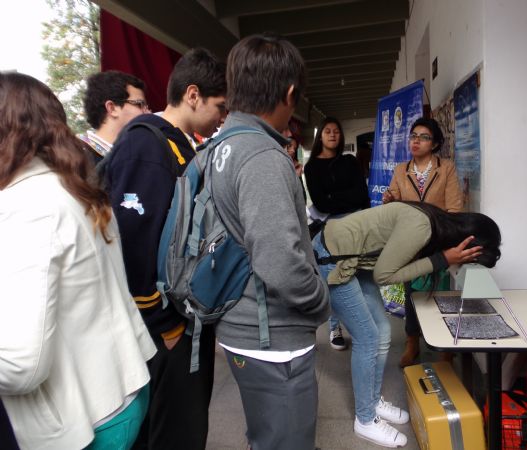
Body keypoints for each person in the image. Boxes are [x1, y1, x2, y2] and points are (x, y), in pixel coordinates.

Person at [0, 72, 157, 450]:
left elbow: (22, 364)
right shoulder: (74, 188)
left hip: (84, 419)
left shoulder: (25, 207)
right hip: (121, 392)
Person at [102, 48, 228, 450]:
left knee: (186, 424)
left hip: (185, 316)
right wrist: (164, 324)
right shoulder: (146, 146)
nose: (222, 117)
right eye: (219, 106)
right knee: (173, 431)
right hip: (166, 325)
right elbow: (133, 244)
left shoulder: (180, 145)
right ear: (193, 94)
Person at [213, 33, 330, 450]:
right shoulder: (262, 156)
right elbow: (281, 263)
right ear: (290, 93)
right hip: (272, 337)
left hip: (238, 320)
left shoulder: (219, 146)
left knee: (264, 435)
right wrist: (320, 301)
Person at [312, 201, 501, 447]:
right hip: (334, 257)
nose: (461, 264)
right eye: (466, 259)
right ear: (466, 242)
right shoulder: (422, 226)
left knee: (382, 330)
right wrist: (441, 259)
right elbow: (384, 276)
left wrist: (442, 258)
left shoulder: (436, 224)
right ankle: (365, 420)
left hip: (357, 257)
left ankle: (371, 401)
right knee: (368, 337)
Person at [382, 117, 463, 367]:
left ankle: (446, 351)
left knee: (441, 295)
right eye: (413, 135)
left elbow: (454, 209)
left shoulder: (445, 168)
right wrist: (389, 199)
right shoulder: (400, 170)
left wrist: (442, 237)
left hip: (439, 241)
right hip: (411, 242)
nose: (416, 140)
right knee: (412, 293)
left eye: (424, 137)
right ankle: (412, 344)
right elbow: (395, 203)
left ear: (435, 142)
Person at [304, 116, 370, 351]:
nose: (333, 135)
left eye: (336, 131)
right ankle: (335, 327)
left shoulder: (350, 162)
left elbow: (362, 195)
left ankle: (361, 324)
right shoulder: (311, 167)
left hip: (357, 224)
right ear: (320, 136)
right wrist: (344, 198)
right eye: (328, 131)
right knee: (337, 279)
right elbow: (321, 204)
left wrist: (335, 198)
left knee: (360, 275)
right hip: (331, 230)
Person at [79, 70, 149, 164]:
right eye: (140, 104)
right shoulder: (77, 160)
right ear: (112, 108)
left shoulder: (130, 155)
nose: (148, 113)